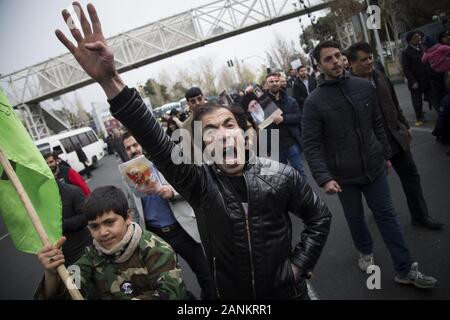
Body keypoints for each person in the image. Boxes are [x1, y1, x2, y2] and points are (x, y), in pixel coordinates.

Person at [54, 2, 332, 299]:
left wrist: (297, 268)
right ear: (201, 147)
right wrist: (109, 81)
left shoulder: (281, 176)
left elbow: (320, 218)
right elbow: (155, 140)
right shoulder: (200, 184)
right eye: (210, 131)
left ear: (242, 133)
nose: (223, 134)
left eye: (228, 124)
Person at [302, 40, 437, 289]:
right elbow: (310, 145)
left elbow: (377, 123)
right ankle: (365, 250)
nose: (335, 62)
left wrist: (385, 154)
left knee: (388, 217)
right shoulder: (314, 102)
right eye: (328, 59)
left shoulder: (364, 87)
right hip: (343, 177)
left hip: (374, 168)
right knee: (355, 218)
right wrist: (324, 178)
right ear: (318, 66)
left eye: (337, 56)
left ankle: (405, 269)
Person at [348, 41, 444, 230]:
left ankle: (421, 216)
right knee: (377, 188)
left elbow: (393, 102)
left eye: (370, 58)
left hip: (396, 138)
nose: (369, 62)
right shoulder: (348, 88)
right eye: (363, 60)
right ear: (352, 63)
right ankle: (381, 216)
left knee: (412, 177)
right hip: (373, 146)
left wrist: (405, 126)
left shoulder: (380, 76)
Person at [35, 185, 186, 300]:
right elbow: (70, 291)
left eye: (109, 222)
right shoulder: (91, 255)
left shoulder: (157, 251)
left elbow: (170, 295)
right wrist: (51, 274)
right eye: (94, 226)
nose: (102, 233)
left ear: (127, 217)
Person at [122, 132, 214, 299]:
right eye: (128, 148)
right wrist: (135, 233)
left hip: (182, 230)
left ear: (143, 143)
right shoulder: (129, 174)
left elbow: (194, 183)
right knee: (167, 282)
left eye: (135, 144)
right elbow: (133, 209)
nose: (133, 150)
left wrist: (172, 192)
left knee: (206, 274)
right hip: (155, 236)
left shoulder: (167, 161)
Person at [265, 72, 306, 178]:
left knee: (300, 171)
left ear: (280, 82)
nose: (274, 83)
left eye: (276, 81)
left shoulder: (290, 100)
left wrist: (284, 118)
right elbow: (249, 114)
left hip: (290, 142)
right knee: (282, 176)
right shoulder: (263, 103)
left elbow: (299, 117)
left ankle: (308, 194)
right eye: (271, 81)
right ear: (266, 85)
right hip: (274, 144)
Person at [401, 30, 440, 126]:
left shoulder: (422, 48)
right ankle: (420, 117)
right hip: (415, 81)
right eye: (416, 37)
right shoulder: (406, 53)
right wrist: (412, 81)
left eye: (419, 36)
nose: (419, 38)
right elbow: (406, 69)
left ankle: (441, 112)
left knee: (434, 97)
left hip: (426, 79)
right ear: (410, 40)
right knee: (417, 101)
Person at [56, 180, 92, 266]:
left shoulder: (72, 191)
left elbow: (85, 216)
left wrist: (59, 225)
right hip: (60, 256)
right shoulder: (37, 199)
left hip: (81, 249)